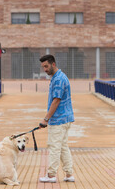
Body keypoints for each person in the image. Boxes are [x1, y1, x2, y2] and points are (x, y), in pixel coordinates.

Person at [38, 54, 75, 183]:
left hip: (59, 120)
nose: (45, 69)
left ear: (53, 64)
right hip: (65, 118)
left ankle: (51, 175)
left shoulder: (59, 79)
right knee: (63, 147)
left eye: (46, 66)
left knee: (54, 146)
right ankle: (69, 174)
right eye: (43, 67)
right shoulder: (58, 77)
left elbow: (56, 100)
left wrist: (45, 119)